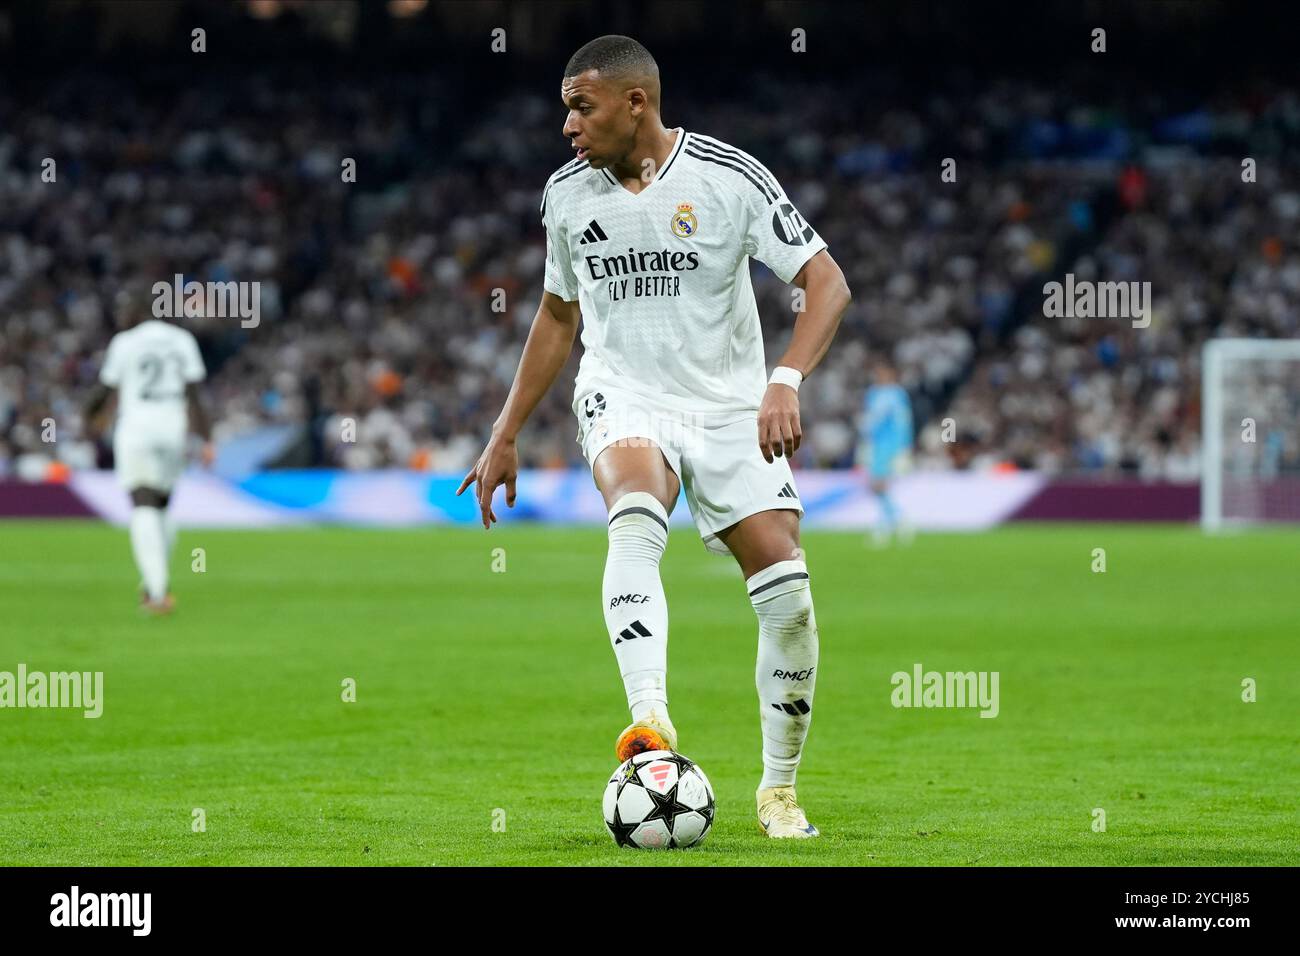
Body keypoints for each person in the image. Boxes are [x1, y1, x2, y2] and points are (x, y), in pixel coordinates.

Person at [456, 35, 851, 838]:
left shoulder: (727, 178)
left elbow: (826, 282)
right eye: (566, 108)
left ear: (636, 102)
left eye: (581, 106)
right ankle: (650, 727)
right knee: (636, 510)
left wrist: (786, 380)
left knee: (791, 598)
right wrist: (505, 431)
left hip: (730, 404)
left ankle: (778, 790)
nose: (567, 125)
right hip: (624, 392)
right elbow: (559, 314)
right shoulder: (566, 194)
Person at [84, 285, 213, 614]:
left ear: (138, 311)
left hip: (137, 428)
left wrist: (87, 415)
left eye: (124, 311)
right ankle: (153, 584)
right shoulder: (182, 340)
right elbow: (196, 394)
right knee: (162, 505)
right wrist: (207, 439)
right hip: (173, 427)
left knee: (142, 503)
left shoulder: (124, 343)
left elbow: (105, 389)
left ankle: (157, 591)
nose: (121, 317)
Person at [858, 358, 914, 546]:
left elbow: (903, 421)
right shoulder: (872, 393)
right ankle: (896, 521)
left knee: (880, 485)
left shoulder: (897, 394)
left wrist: (904, 446)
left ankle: (888, 525)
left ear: (891, 374)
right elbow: (869, 420)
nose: (879, 376)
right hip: (875, 445)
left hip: (890, 445)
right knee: (876, 486)